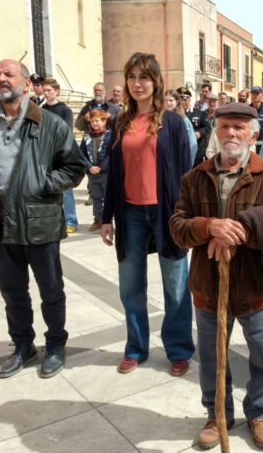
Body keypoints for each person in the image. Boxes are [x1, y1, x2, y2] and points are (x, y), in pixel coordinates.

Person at [169, 102, 263, 451]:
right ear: (215, 131)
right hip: (209, 288)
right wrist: (209, 226)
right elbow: (177, 228)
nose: (231, 133)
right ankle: (216, 414)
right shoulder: (194, 178)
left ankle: (259, 413)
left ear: (253, 134)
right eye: (225, 126)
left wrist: (239, 231)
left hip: (257, 287)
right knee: (211, 358)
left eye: (240, 127)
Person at [0, 59, 86, 378]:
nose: (1, 79)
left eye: (8, 74)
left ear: (26, 84)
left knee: (51, 291)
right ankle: (22, 346)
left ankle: (56, 345)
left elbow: (74, 167)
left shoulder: (51, 123)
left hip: (39, 221)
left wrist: (42, 184)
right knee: (12, 293)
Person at [100, 52, 195, 377]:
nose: (138, 84)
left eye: (144, 77)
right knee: (130, 285)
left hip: (166, 214)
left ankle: (179, 349)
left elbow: (186, 174)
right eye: (132, 77)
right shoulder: (120, 122)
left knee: (176, 286)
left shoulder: (173, 123)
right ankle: (136, 348)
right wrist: (105, 217)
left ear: (156, 82)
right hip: (130, 214)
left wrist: (186, 218)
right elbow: (113, 174)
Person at [41, 78, 79, 234]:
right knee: (47, 187)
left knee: (65, 189)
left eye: (49, 90)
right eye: (44, 90)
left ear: (56, 91)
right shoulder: (42, 109)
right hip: (45, 154)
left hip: (61, 154)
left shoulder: (65, 110)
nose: (46, 93)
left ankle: (70, 220)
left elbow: (66, 133)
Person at [79, 110, 112, 232]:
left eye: (97, 121)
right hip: (92, 173)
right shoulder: (87, 136)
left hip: (106, 173)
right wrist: (89, 167)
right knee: (96, 196)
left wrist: (101, 167)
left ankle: (108, 220)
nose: (94, 123)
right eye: (92, 121)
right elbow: (81, 154)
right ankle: (98, 219)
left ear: (104, 121)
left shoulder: (110, 136)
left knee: (107, 197)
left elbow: (111, 154)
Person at [164, 89, 198, 163]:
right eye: (165, 100)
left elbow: (192, 145)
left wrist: (187, 163)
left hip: (178, 161)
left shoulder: (183, 120)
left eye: (171, 100)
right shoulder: (160, 119)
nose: (168, 103)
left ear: (177, 102)